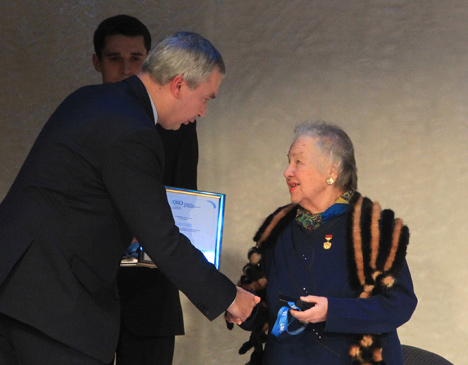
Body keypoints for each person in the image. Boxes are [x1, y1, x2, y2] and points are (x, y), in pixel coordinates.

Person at [0, 31, 259, 365]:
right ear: (179, 85)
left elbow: (74, 196)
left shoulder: (90, 99)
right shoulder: (134, 131)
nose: (203, 112)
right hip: (52, 305)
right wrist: (228, 297)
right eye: (206, 98)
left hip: (13, 285)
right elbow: (161, 238)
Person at [233, 121, 417, 364]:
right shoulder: (278, 227)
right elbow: (266, 310)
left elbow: (399, 304)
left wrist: (333, 311)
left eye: (298, 162)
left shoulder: (372, 228)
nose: (288, 171)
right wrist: (240, 306)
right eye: (289, 161)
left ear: (332, 171)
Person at [92, 15, 198, 364]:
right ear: (97, 62)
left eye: (135, 59)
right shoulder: (82, 119)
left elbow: (185, 202)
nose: (124, 68)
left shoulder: (177, 125)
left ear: (149, 62)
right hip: (88, 293)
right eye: (114, 59)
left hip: (151, 296)